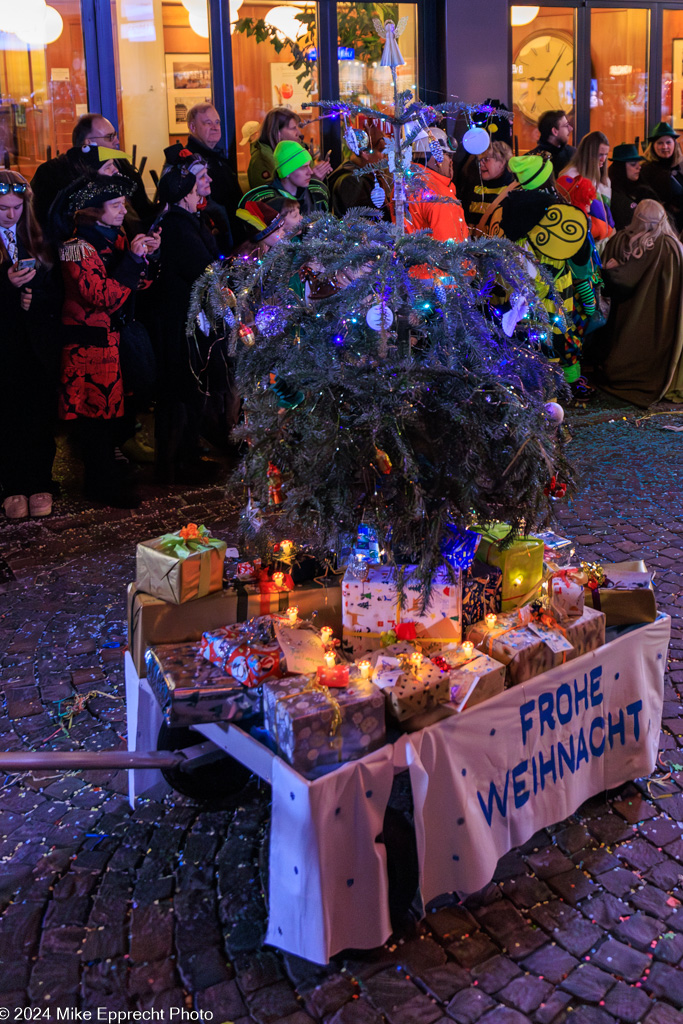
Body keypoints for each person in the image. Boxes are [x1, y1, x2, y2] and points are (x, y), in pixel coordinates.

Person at [55, 176, 160, 507]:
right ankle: (100, 485)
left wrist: (146, 257)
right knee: (94, 421)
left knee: (112, 417)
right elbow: (102, 296)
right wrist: (132, 261)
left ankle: (108, 479)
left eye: (123, 204)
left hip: (111, 342)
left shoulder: (113, 239)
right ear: (93, 212)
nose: (123, 210)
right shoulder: (76, 248)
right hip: (88, 348)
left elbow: (134, 287)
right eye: (115, 206)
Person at [487, 153, 593, 400]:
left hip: (516, 300)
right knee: (550, 356)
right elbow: (580, 259)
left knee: (520, 354)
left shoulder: (503, 211)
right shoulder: (562, 214)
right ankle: (550, 413)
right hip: (554, 299)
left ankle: (522, 409)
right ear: (547, 179)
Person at [151, 164, 228, 484]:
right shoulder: (178, 227)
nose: (201, 193)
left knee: (189, 387)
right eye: (196, 189)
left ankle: (186, 455)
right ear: (183, 196)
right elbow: (203, 267)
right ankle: (177, 463)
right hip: (180, 320)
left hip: (186, 316)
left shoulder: (185, 221)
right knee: (184, 386)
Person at [0, 171, 60, 520]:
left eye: (16, 207)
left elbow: (55, 292)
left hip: (35, 343)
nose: (11, 215)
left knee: (38, 412)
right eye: (3, 208)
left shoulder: (37, 237)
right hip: (5, 344)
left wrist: (33, 299)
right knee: (8, 414)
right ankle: (12, 485)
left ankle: (41, 480)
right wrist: (6, 289)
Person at [596, 199, 683, 407]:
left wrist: (611, 270)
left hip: (633, 320)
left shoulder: (626, 241)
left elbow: (623, 281)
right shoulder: (674, 245)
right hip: (666, 315)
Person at [31, 113, 153, 232]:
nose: (116, 142)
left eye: (115, 135)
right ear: (88, 143)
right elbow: (41, 221)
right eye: (109, 137)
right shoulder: (53, 173)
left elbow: (143, 208)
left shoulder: (121, 164)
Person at [185, 104, 245, 247]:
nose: (215, 127)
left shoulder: (218, 157)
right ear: (192, 127)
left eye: (217, 122)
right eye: (208, 123)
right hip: (216, 241)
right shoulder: (189, 161)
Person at [406, 128, 468, 242]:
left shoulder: (405, 184)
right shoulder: (440, 197)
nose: (451, 161)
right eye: (449, 155)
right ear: (436, 158)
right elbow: (449, 250)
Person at [248, 107, 333, 189]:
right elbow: (277, 199)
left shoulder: (297, 152)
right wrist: (313, 180)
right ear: (277, 133)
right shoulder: (261, 160)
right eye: (293, 128)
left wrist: (318, 174)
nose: (299, 133)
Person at [240, 141, 329, 215]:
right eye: (303, 167)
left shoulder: (316, 195)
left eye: (309, 166)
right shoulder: (269, 203)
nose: (310, 172)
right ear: (287, 172)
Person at [557, 131, 614, 242]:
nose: (604, 159)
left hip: (602, 240)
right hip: (580, 239)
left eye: (606, 154)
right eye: (600, 154)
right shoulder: (571, 176)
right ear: (589, 154)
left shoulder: (604, 180)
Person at [327, 123, 390, 219]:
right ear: (365, 153)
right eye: (381, 151)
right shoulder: (351, 182)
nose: (385, 156)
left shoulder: (362, 176)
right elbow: (362, 225)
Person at [459, 140, 513, 231]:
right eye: (480, 160)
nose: (481, 163)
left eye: (486, 159)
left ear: (502, 162)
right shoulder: (471, 184)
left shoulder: (513, 190)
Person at [639, 122, 683, 232]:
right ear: (653, 145)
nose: (665, 147)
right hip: (656, 228)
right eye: (660, 143)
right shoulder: (645, 169)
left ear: (674, 144)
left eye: (668, 142)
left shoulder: (681, 166)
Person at [608, 143, 658, 231]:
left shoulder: (644, 190)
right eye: (633, 164)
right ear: (621, 167)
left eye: (638, 163)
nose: (639, 167)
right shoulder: (612, 194)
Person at [529, 110, 576, 178]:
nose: (570, 129)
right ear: (555, 131)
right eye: (566, 126)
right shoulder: (532, 160)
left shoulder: (573, 154)